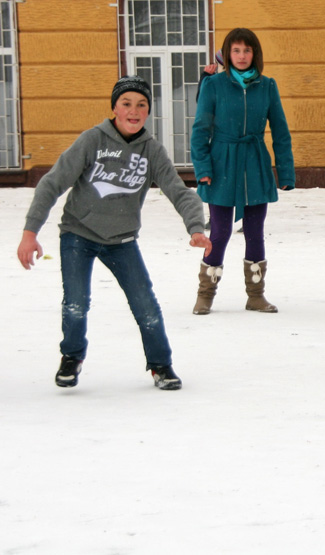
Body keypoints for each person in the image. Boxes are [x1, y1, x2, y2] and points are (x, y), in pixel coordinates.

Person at [17, 75, 211, 390]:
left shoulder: (151, 151)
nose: (134, 110)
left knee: (145, 305)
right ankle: (71, 357)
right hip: (78, 234)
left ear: (148, 111)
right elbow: (52, 183)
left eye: (141, 105)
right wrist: (30, 232)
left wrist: (196, 228)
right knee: (76, 303)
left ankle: (160, 365)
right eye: (126, 103)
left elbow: (179, 191)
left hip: (122, 241)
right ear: (114, 108)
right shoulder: (92, 140)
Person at [190, 28, 294, 314]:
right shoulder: (213, 85)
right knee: (220, 232)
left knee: (254, 231)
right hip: (221, 163)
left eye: (247, 50)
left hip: (255, 163)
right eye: (236, 50)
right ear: (227, 54)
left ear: (254, 54)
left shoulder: (267, 86)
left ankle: (255, 296)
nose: (241, 56)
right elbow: (200, 130)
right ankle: (205, 294)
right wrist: (203, 168)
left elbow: (281, 132)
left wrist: (285, 173)